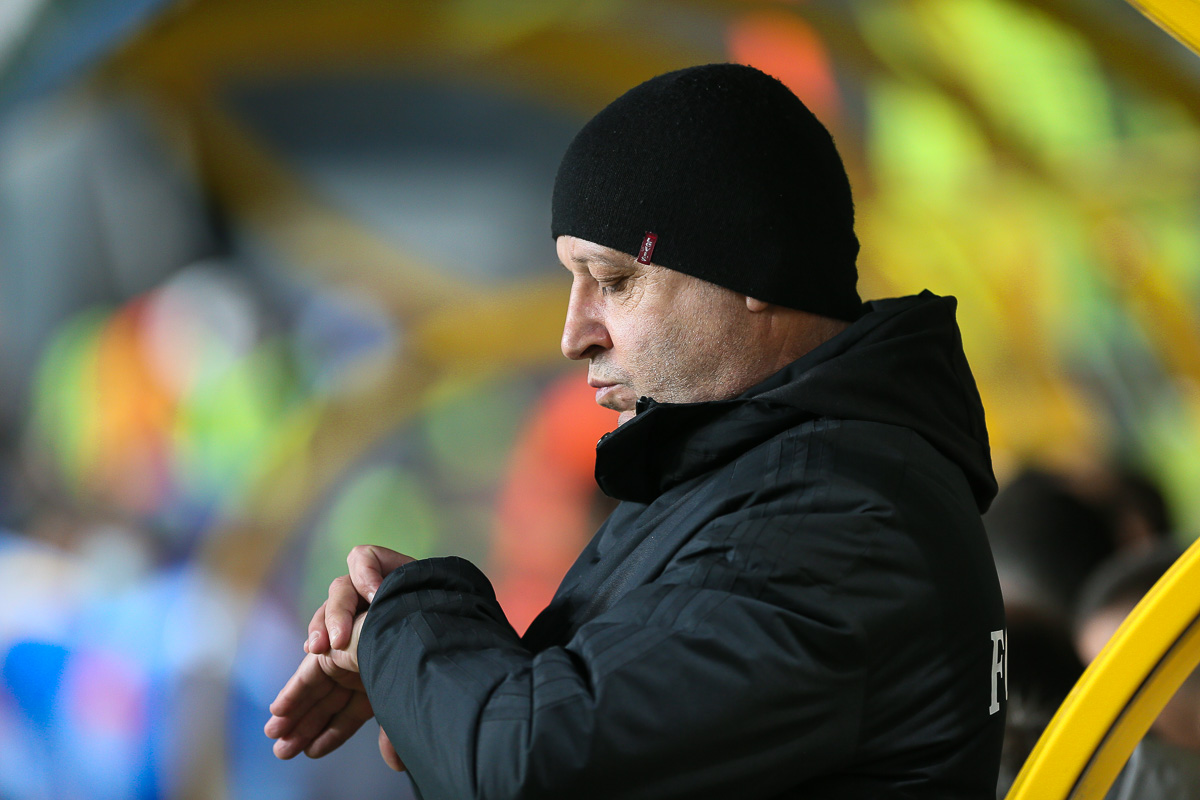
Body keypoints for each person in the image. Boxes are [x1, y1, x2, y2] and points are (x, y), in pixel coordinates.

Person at [264, 63, 1007, 799]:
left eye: (614, 281)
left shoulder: (836, 517)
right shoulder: (766, 481)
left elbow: (535, 767)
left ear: (754, 264)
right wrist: (434, 685)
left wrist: (410, 625)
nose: (573, 335)